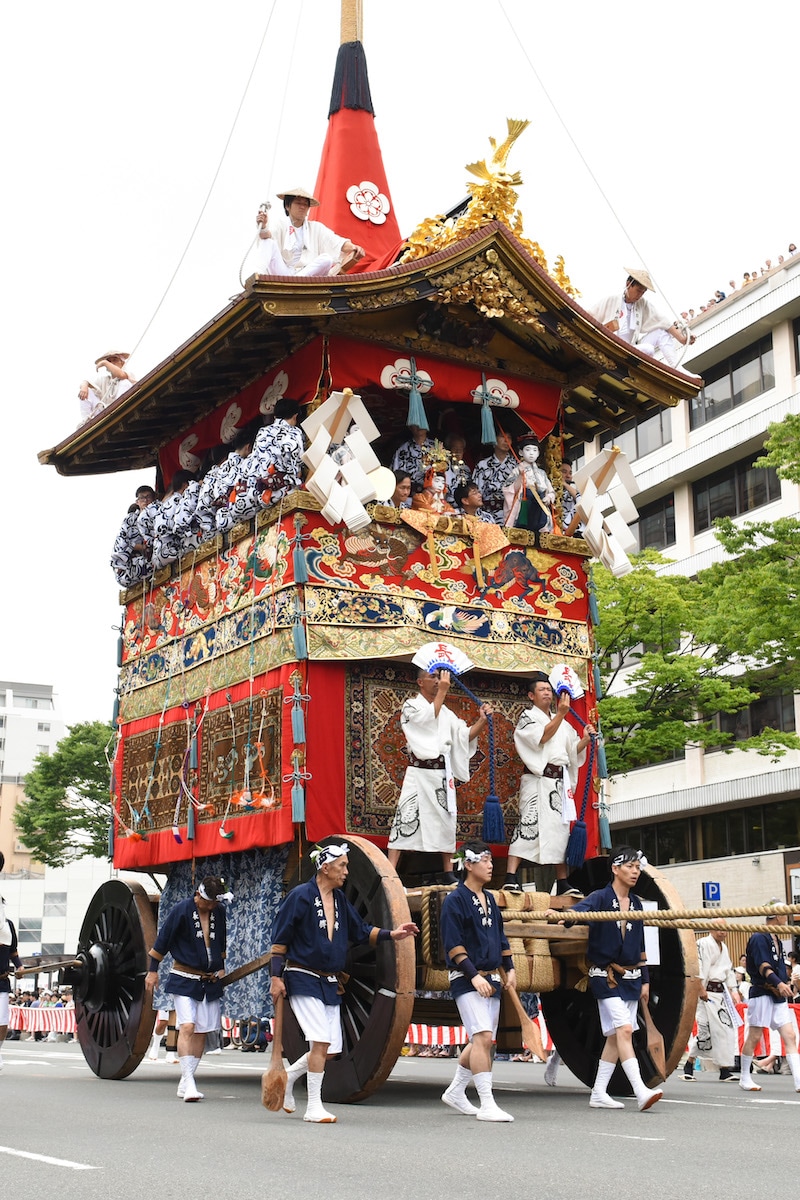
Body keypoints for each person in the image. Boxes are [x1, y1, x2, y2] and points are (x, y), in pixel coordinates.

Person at [270, 842, 418, 1123]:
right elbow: (280, 940)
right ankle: (314, 1106)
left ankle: (289, 1077)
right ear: (325, 868)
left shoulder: (339, 900)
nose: (346, 872)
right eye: (342, 866)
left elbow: (362, 931)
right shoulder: (300, 896)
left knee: (331, 1049)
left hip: (329, 982)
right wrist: (276, 977)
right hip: (302, 977)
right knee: (321, 1041)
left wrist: (393, 934)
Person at [556, 847, 663, 1111]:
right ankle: (640, 1090)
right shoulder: (601, 897)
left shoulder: (637, 904)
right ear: (615, 869)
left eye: (638, 867)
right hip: (606, 977)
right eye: (630, 867)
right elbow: (581, 911)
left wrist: (646, 980)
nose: (635, 871)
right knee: (625, 1030)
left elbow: (640, 948)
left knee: (616, 1037)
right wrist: (564, 916)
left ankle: (599, 1092)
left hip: (632, 979)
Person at [388, 668, 492, 882]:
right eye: (432, 677)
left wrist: (482, 720)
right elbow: (425, 722)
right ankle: (389, 872)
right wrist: (443, 691)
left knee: (447, 821)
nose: (437, 681)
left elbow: (464, 737)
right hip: (419, 772)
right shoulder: (411, 706)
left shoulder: (446, 713)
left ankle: (448, 872)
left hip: (441, 774)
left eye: (439, 677)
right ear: (420, 682)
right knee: (405, 818)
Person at [439, 840, 516, 1122]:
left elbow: (500, 936)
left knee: (480, 1039)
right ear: (468, 865)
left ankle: (456, 1092)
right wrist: (473, 976)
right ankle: (487, 1103)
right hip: (467, 978)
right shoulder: (455, 900)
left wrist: (510, 967)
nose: (490, 864)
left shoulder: (490, 899)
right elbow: (453, 945)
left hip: (491, 978)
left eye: (491, 860)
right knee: (483, 1037)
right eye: (484, 860)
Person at [504, 672, 594, 897]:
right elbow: (541, 738)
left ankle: (562, 881)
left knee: (559, 832)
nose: (547, 693)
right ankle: (510, 877)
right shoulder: (528, 718)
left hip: (558, 784)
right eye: (542, 690)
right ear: (531, 695)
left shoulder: (561, 721)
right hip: (537, 779)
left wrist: (586, 739)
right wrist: (562, 714)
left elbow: (571, 752)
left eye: (548, 689)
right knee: (528, 825)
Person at [145, 875, 232, 1103]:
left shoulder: (219, 912)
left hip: (209, 978)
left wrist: (221, 966)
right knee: (188, 1026)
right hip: (183, 976)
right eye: (209, 902)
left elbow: (220, 941)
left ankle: (187, 1080)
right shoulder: (182, 910)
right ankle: (189, 1082)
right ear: (198, 895)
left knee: (202, 1030)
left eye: (215, 902)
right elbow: (162, 940)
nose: (212, 906)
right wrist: (153, 970)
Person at [739, 903, 800, 1093]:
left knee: (790, 1035)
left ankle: (798, 1079)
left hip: (778, 994)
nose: (786, 918)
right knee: (755, 1035)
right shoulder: (759, 937)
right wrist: (779, 983)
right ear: (777, 916)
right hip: (762, 991)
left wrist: (785, 983)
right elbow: (763, 966)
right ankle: (744, 1076)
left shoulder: (778, 939)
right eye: (784, 915)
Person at [588, 268, 693, 367]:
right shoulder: (612, 300)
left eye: (643, 292)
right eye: (638, 290)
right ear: (628, 284)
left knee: (660, 332)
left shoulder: (642, 304)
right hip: (613, 347)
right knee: (648, 349)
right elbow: (590, 316)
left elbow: (663, 321)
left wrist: (682, 339)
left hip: (632, 348)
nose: (640, 295)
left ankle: (676, 367)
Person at [254, 187, 365, 277]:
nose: (302, 207)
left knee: (326, 259)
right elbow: (266, 236)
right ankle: (257, 277)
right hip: (283, 273)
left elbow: (337, 242)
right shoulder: (281, 225)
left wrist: (354, 247)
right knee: (268, 242)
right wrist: (263, 226)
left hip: (307, 275)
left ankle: (295, 282)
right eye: (298, 203)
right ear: (288, 206)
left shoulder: (316, 227)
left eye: (305, 204)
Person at [681, 922, 742, 1082]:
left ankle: (724, 1069)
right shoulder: (703, 943)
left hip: (720, 995)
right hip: (705, 992)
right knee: (704, 1032)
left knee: (724, 1030)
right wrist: (700, 989)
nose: (723, 933)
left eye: (725, 929)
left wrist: (734, 991)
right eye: (720, 929)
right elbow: (699, 967)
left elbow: (728, 971)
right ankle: (689, 1063)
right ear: (711, 929)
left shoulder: (725, 948)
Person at [245, 398, 305, 508]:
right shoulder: (294, 432)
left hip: (263, 496)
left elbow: (254, 462)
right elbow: (299, 461)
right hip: (287, 491)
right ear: (295, 416)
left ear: (275, 417)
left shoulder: (262, 432)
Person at [0, 854, 24, 1073]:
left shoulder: (8, 926)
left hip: (1, 981)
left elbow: (14, 952)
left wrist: (20, 966)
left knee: (2, 1023)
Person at [503, 436, 555, 532]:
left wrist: (548, 497)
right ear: (521, 452)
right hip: (524, 504)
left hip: (540, 504)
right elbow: (509, 490)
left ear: (538, 453)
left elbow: (551, 491)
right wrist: (519, 476)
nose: (531, 453)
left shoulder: (542, 473)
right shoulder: (516, 470)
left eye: (535, 450)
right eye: (528, 450)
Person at [110, 484, 157, 588]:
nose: (145, 500)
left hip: (155, 557)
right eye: (142, 498)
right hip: (133, 562)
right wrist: (141, 547)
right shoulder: (130, 519)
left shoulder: (159, 512)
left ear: (153, 498)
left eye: (148, 497)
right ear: (137, 501)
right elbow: (122, 541)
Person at [78, 351, 136, 425]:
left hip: (121, 409)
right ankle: (86, 423)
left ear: (122, 363)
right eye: (109, 361)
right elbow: (86, 383)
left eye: (115, 360)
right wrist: (84, 386)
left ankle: (119, 410)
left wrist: (105, 363)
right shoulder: (104, 380)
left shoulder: (128, 374)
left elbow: (121, 375)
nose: (111, 363)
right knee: (86, 391)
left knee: (125, 383)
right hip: (104, 412)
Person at [473, 432, 517, 524]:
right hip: (487, 513)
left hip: (511, 514)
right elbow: (476, 491)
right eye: (502, 436)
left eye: (509, 437)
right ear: (494, 439)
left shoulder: (517, 466)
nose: (506, 440)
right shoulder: (483, 465)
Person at [560, 460, 582, 533]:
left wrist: (565, 484)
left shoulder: (572, 492)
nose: (568, 476)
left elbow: (582, 502)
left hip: (573, 531)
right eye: (564, 472)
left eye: (570, 473)